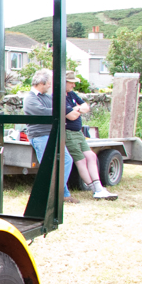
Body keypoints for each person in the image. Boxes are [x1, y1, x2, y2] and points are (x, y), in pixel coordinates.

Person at [23, 69, 77, 204]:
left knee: (66, 160)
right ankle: (58, 194)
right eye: (49, 83)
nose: (50, 86)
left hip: (53, 134)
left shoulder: (47, 97)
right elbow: (43, 112)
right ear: (42, 82)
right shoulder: (30, 98)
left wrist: (64, 109)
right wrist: (61, 111)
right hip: (40, 136)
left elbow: (58, 107)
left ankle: (57, 192)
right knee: (48, 166)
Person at [65, 71, 117, 200]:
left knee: (91, 156)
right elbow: (70, 116)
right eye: (71, 82)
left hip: (79, 133)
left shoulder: (71, 94)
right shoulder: (59, 97)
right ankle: (95, 189)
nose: (73, 85)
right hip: (68, 134)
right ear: (64, 82)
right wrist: (77, 109)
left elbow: (85, 106)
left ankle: (98, 186)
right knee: (81, 160)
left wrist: (77, 109)